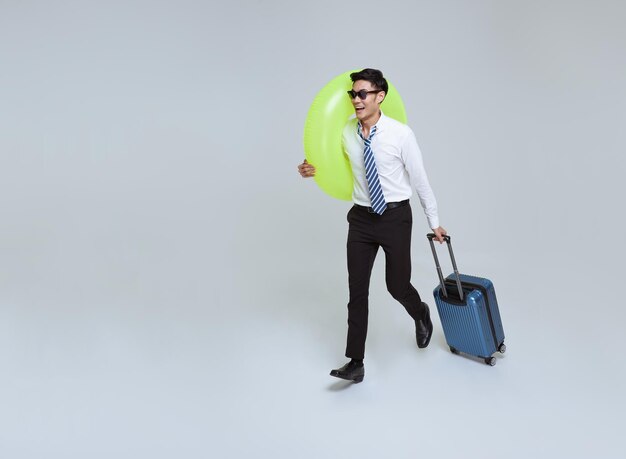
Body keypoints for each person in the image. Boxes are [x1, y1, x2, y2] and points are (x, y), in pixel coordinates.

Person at [298, 68, 446, 383]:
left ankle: (420, 312)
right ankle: (356, 361)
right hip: (362, 218)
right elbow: (328, 165)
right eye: (353, 94)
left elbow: (420, 181)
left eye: (362, 93)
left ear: (380, 96)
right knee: (357, 292)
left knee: (396, 285)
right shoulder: (346, 132)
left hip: (395, 217)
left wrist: (435, 223)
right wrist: (310, 168)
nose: (356, 100)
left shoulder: (401, 134)